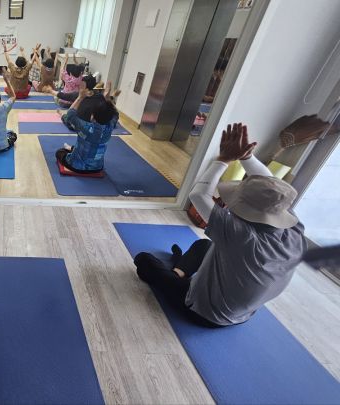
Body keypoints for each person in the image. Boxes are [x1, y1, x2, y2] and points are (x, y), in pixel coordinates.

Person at [134, 123, 307, 327]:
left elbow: (198, 195)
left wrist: (223, 159)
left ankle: (175, 277)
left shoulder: (241, 235)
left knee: (144, 260)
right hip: (243, 314)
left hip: (206, 312)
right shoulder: (294, 228)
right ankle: (180, 273)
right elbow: (272, 186)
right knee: (204, 245)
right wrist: (246, 157)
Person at [55, 80, 119, 174]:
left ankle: (72, 150)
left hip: (77, 166)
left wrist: (80, 97)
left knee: (59, 152)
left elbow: (70, 115)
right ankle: (72, 148)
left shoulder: (85, 127)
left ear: (92, 116)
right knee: (89, 146)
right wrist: (108, 99)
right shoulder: (110, 126)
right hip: (98, 167)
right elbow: (115, 113)